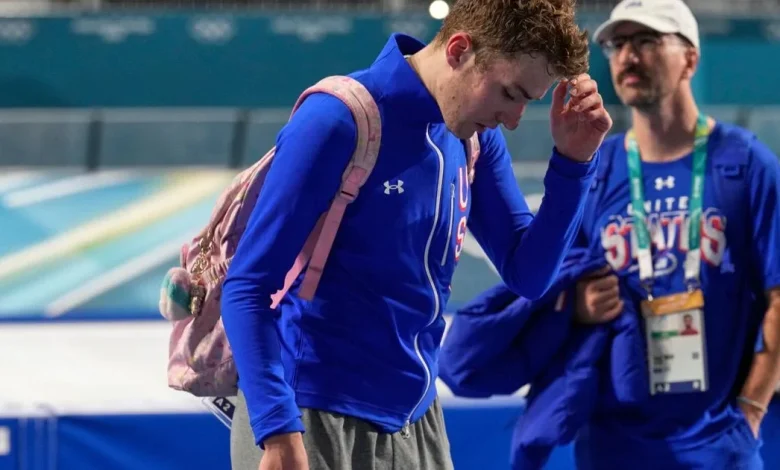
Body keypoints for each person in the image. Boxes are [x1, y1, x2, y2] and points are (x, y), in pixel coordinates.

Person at [219, 0, 614, 468]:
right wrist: (277, 429)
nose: (513, 118)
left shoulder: (475, 137)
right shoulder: (337, 120)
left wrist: (574, 163)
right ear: (459, 50)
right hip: (309, 416)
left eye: (528, 101)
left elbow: (529, 275)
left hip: (417, 419)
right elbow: (247, 286)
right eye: (510, 94)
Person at [439, 0, 780, 469]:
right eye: (617, 44)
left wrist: (752, 409)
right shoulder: (596, 168)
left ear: (690, 59)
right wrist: (575, 304)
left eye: (646, 40)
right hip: (612, 442)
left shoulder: (745, 164)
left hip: (719, 442)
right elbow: (554, 279)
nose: (627, 56)